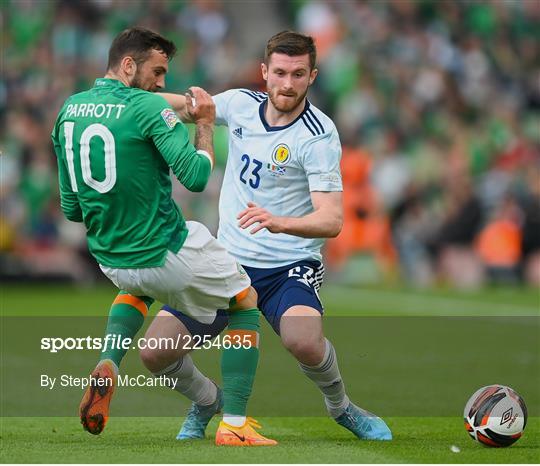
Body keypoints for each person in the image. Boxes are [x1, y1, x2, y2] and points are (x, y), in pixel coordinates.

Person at [141, 30, 392, 441]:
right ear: (265, 72)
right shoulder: (240, 104)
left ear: (312, 76)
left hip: (288, 264)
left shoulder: (319, 135)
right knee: (154, 352)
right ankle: (206, 400)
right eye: (279, 72)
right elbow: (189, 108)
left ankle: (343, 408)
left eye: (297, 74)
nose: (287, 83)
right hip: (228, 261)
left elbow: (332, 220)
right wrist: (130, 101)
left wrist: (280, 222)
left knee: (304, 341)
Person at [51, 27, 276, 446]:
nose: (161, 82)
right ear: (128, 65)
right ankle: (236, 424)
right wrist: (206, 126)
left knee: (138, 289)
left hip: (110, 260)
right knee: (245, 300)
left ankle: (111, 361)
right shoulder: (148, 111)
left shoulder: (70, 108)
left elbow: (71, 209)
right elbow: (193, 176)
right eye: (157, 72)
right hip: (164, 251)